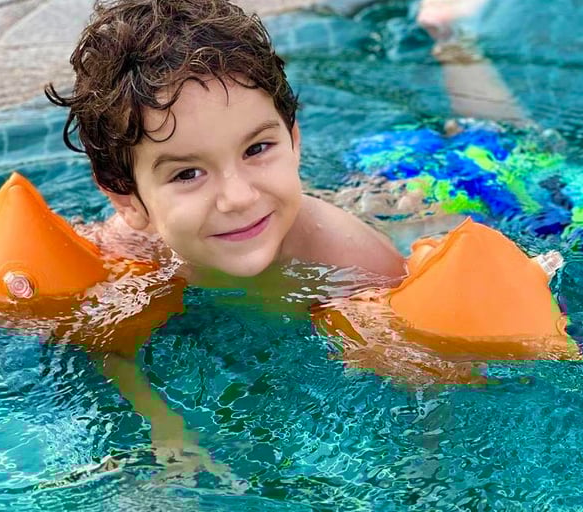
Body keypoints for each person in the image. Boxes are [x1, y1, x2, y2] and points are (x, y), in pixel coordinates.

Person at [43, 0, 407, 468]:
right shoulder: (133, 247)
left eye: (258, 148)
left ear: (294, 141)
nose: (237, 197)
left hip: (396, 196)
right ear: (127, 199)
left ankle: (451, 39)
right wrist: (163, 423)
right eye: (188, 174)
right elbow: (107, 346)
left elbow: (425, 396)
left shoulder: (351, 261)